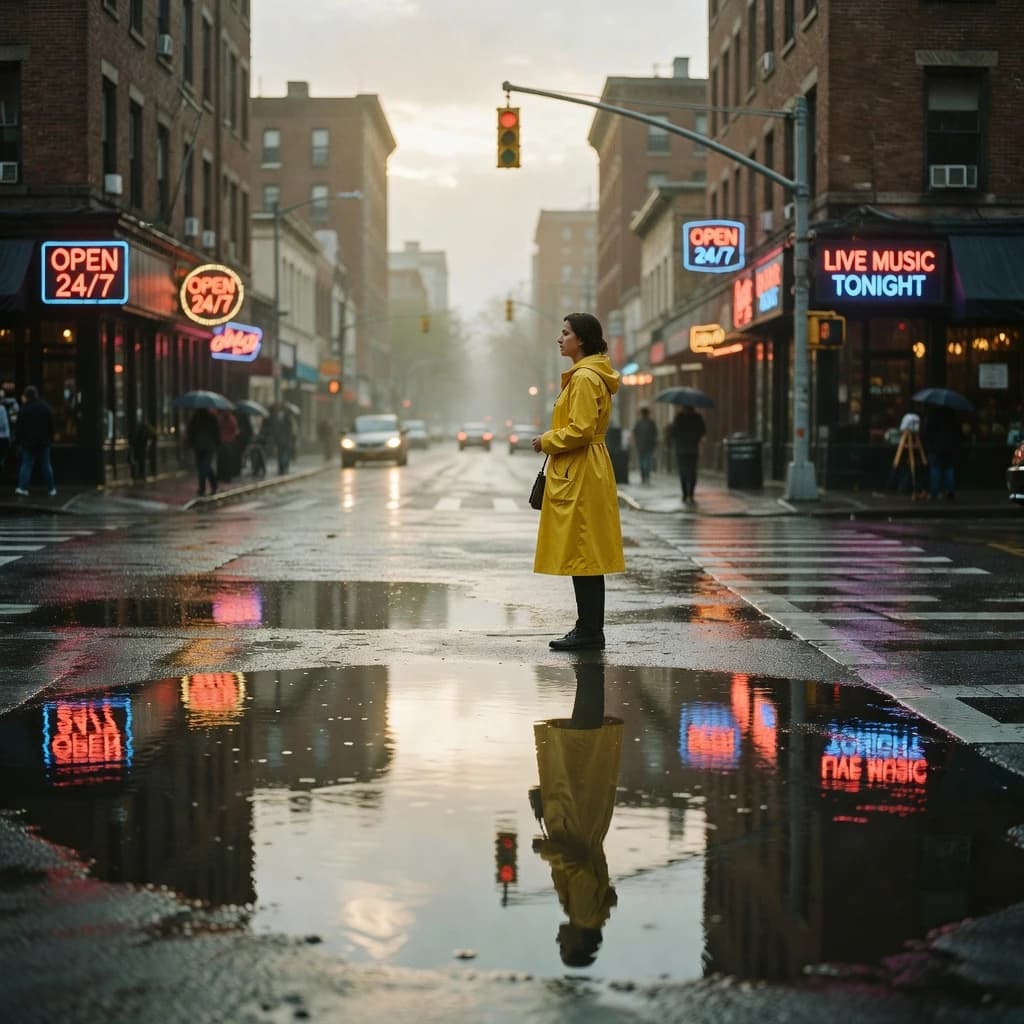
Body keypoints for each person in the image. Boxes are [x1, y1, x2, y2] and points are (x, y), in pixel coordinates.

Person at [532, 312, 625, 652]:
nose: (560, 338)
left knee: (585, 554)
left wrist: (547, 440)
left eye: (565, 333)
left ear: (581, 339)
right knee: (584, 554)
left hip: (582, 468)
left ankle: (588, 630)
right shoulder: (587, 375)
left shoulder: (585, 378)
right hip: (584, 468)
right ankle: (587, 627)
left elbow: (581, 429)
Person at [531, 660, 623, 969]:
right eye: (564, 947)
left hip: (575, 815)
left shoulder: (586, 912)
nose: (559, 941)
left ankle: (589, 680)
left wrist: (544, 805)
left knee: (581, 747)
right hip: (577, 813)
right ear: (578, 943)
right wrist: (546, 851)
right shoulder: (584, 913)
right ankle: (589, 675)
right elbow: (579, 866)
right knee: (579, 749)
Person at [14, 385, 56, 497]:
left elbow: (19, 427)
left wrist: (18, 442)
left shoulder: (24, 409)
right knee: (46, 465)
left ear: (26, 396)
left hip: (28, 442)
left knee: (26, 465)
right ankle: (51, 488)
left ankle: (22, 488)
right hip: (43, 442)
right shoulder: (45, 407)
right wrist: (51, 438)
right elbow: (51, 425)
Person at [923, 404, 960, 500]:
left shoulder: (932, 415)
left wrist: (929, 445)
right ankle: (950, 491)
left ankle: (935, 492)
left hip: (935, 447)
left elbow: (927, 431)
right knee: (949, 468)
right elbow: (957, 431)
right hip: (949, 447)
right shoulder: (952, 415)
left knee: (936, 468)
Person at [671, 404, 706, 503]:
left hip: (681, 449)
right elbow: (703, 431)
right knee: (692, 471)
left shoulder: (679, 417)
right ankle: (691, 493)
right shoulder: (697, 417)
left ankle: (685, 494)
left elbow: (673, 433)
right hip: (693, 449)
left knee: (683, 471)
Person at [185, 406, 220, 497]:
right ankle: (212, 485)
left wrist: (190, 443)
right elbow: (217, 433)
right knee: (205, 467)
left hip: (202, 446)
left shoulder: (196, 418)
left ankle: (203, 488)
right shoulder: (210, 418)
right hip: (206, 446)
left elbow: (190, 432)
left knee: (203, 467)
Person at [632, 406, 658, 485]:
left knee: (642, 461)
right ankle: (646, 475)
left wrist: (636, 442)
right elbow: (655, 434)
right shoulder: (651, 423)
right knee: (647, 461)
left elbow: (635, 433)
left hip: (641, 446)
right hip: (649, 446)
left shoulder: (639, 423)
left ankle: (643, 476)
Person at [272, 404, 297, 475]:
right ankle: (284, 467)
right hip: (286, 440)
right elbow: (292, 431)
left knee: (281, 454)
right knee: (285, 454)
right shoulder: (289, 418)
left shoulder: (279, 417)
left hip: (280, 439)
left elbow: (276, 429)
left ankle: (281, 468)